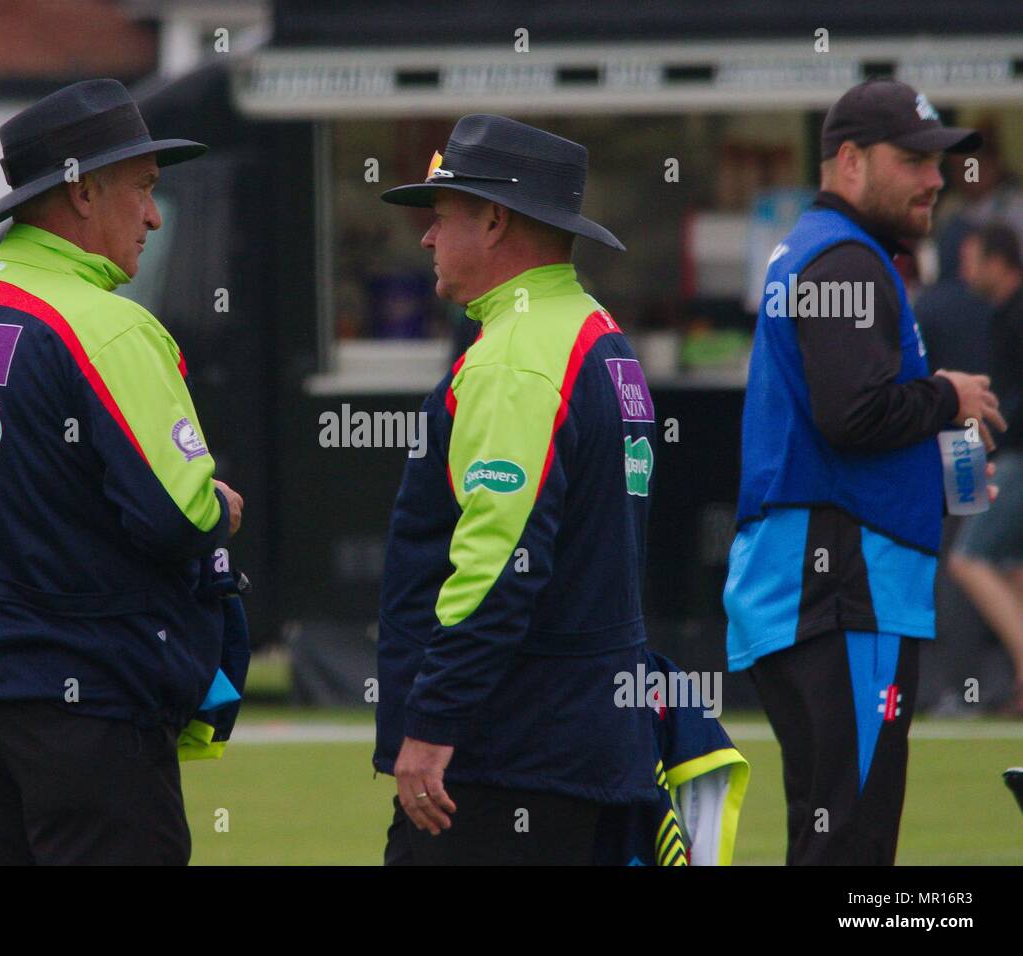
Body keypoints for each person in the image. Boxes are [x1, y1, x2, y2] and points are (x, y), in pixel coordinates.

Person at [0, 79, 246, 865]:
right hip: (88, 708)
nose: (155, 216)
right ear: (84, 193)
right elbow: (175, 517)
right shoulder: (111, 329)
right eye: (145, 190)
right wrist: (220, 508)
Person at [724, 79, 1005, 865]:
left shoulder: (823, 248)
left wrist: (931, 433)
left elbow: (848, 412)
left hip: (817, 587)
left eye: (938, 161)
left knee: (832, 830)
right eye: (913, 160)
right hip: (843, 589)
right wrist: (946, 395)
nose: (934, 180)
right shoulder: (844, 256)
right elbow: (853, 416)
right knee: (850, 842)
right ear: (849, 160)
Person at [374, 114, 659, 864]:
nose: (428, 239)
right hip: (586, 741)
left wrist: (432, 721)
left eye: (441, 217)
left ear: (495, 220)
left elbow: (498, 563)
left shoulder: (514, 358)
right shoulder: (596, 331)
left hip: (508, 751)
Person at [949, 222, 1023, 714]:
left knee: (967, 559)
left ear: (998, 261)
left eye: (973, 258)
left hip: (1012, 454)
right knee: (1013, 566)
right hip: (994, 451)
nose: (964, 268)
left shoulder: (1012, 316)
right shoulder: (999, 315)